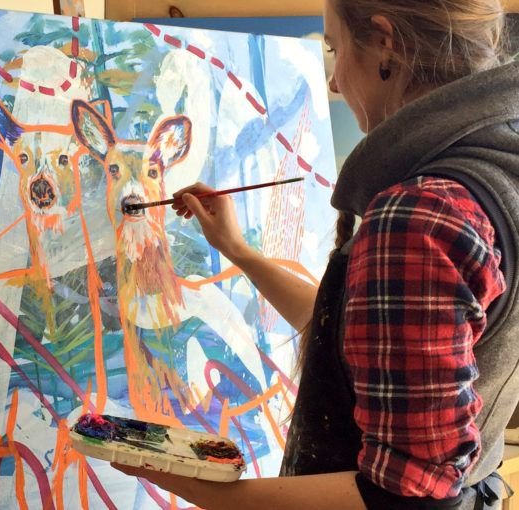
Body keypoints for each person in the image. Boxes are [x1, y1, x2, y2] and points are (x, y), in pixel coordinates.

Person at [113, 0, 519, 508]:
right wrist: (238, 251)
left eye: (333, 48)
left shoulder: (421, 215)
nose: (333, 82)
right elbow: (365, 340)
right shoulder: (496, 170)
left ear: (385, 43)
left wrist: (198, 486)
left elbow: (406, 500)